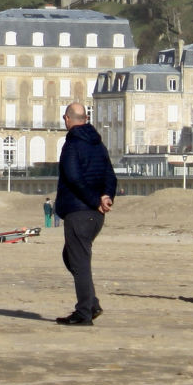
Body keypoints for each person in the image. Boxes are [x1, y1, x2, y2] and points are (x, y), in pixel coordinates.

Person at [52, 102, 116, 326]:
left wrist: (97, 200)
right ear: (86, 118)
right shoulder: (98, 144)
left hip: (80, 212)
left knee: (79, 261)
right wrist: (106, 196)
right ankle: (91, 304)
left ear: (68, 119)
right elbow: (110, 174)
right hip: (94, 213)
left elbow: (73, 177)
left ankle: (84, 312)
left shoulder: (72, 144)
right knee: (71, 257)